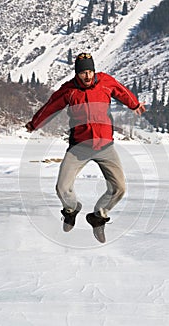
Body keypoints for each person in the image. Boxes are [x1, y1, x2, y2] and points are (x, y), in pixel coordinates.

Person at [25, 52, 146, 243]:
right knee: (62, 187)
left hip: (105, 146)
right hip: (79, 146)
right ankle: (71, 209)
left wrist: (134, 104)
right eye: (83, 73)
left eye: (90, 71)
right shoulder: (68, 90)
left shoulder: (106, 82)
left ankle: (98, 217)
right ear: (77, 74)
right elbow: (50, 107)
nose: (87, 76)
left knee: (119, 188)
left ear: (94, 71)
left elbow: (121, 91)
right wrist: (35, 123)